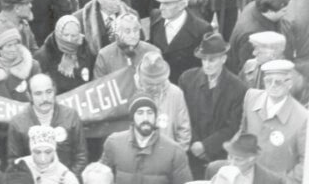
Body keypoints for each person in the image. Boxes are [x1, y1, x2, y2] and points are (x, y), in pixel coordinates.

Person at [178, 30, 247, 175]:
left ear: (223, 59)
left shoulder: (238, 88)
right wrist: (194, 144)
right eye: (204, 59)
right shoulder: (187, 79)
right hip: (190, 155)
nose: (207, 64)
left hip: (219, 155)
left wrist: (206, 146)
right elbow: (182, 116)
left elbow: (233, 126)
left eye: (212, 60)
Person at [239, 59, 307, 182]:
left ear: (289, 83)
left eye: (278, 82)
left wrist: (284, 181)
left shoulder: (303, 118)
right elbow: (242, 134)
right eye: (268, 81)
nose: (272, 86)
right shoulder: (251, 98)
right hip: (248, 177)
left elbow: (305, 162)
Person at [6, 72, 87, 173]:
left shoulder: (71, 116)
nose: (45, 98)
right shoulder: (17, 123)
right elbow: (15, 163)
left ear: (55, 91)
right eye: (38, 94)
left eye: (49, 92)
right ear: (29, 96)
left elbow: (81, 157)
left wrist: (65, 180)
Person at [100, 94, 191, 184]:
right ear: (132, 117)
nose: (145, 118)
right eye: (140, 113)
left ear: (156, 117)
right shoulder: (114, 143)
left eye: (150, 113)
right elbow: (99, 178)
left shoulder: (174, 151)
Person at [149, 0, 210, 83]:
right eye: (160, 3)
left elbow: (203, 69)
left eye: (167, 4)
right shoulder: (156, 19)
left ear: (182, 4)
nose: (161, 7)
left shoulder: (201, 29)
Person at [6, 125, 79, 184]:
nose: (43, 158)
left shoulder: (67, 177)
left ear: (54, 151)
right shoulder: (18, 168)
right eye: (37, 152)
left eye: (48, 152)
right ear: (31, 151)